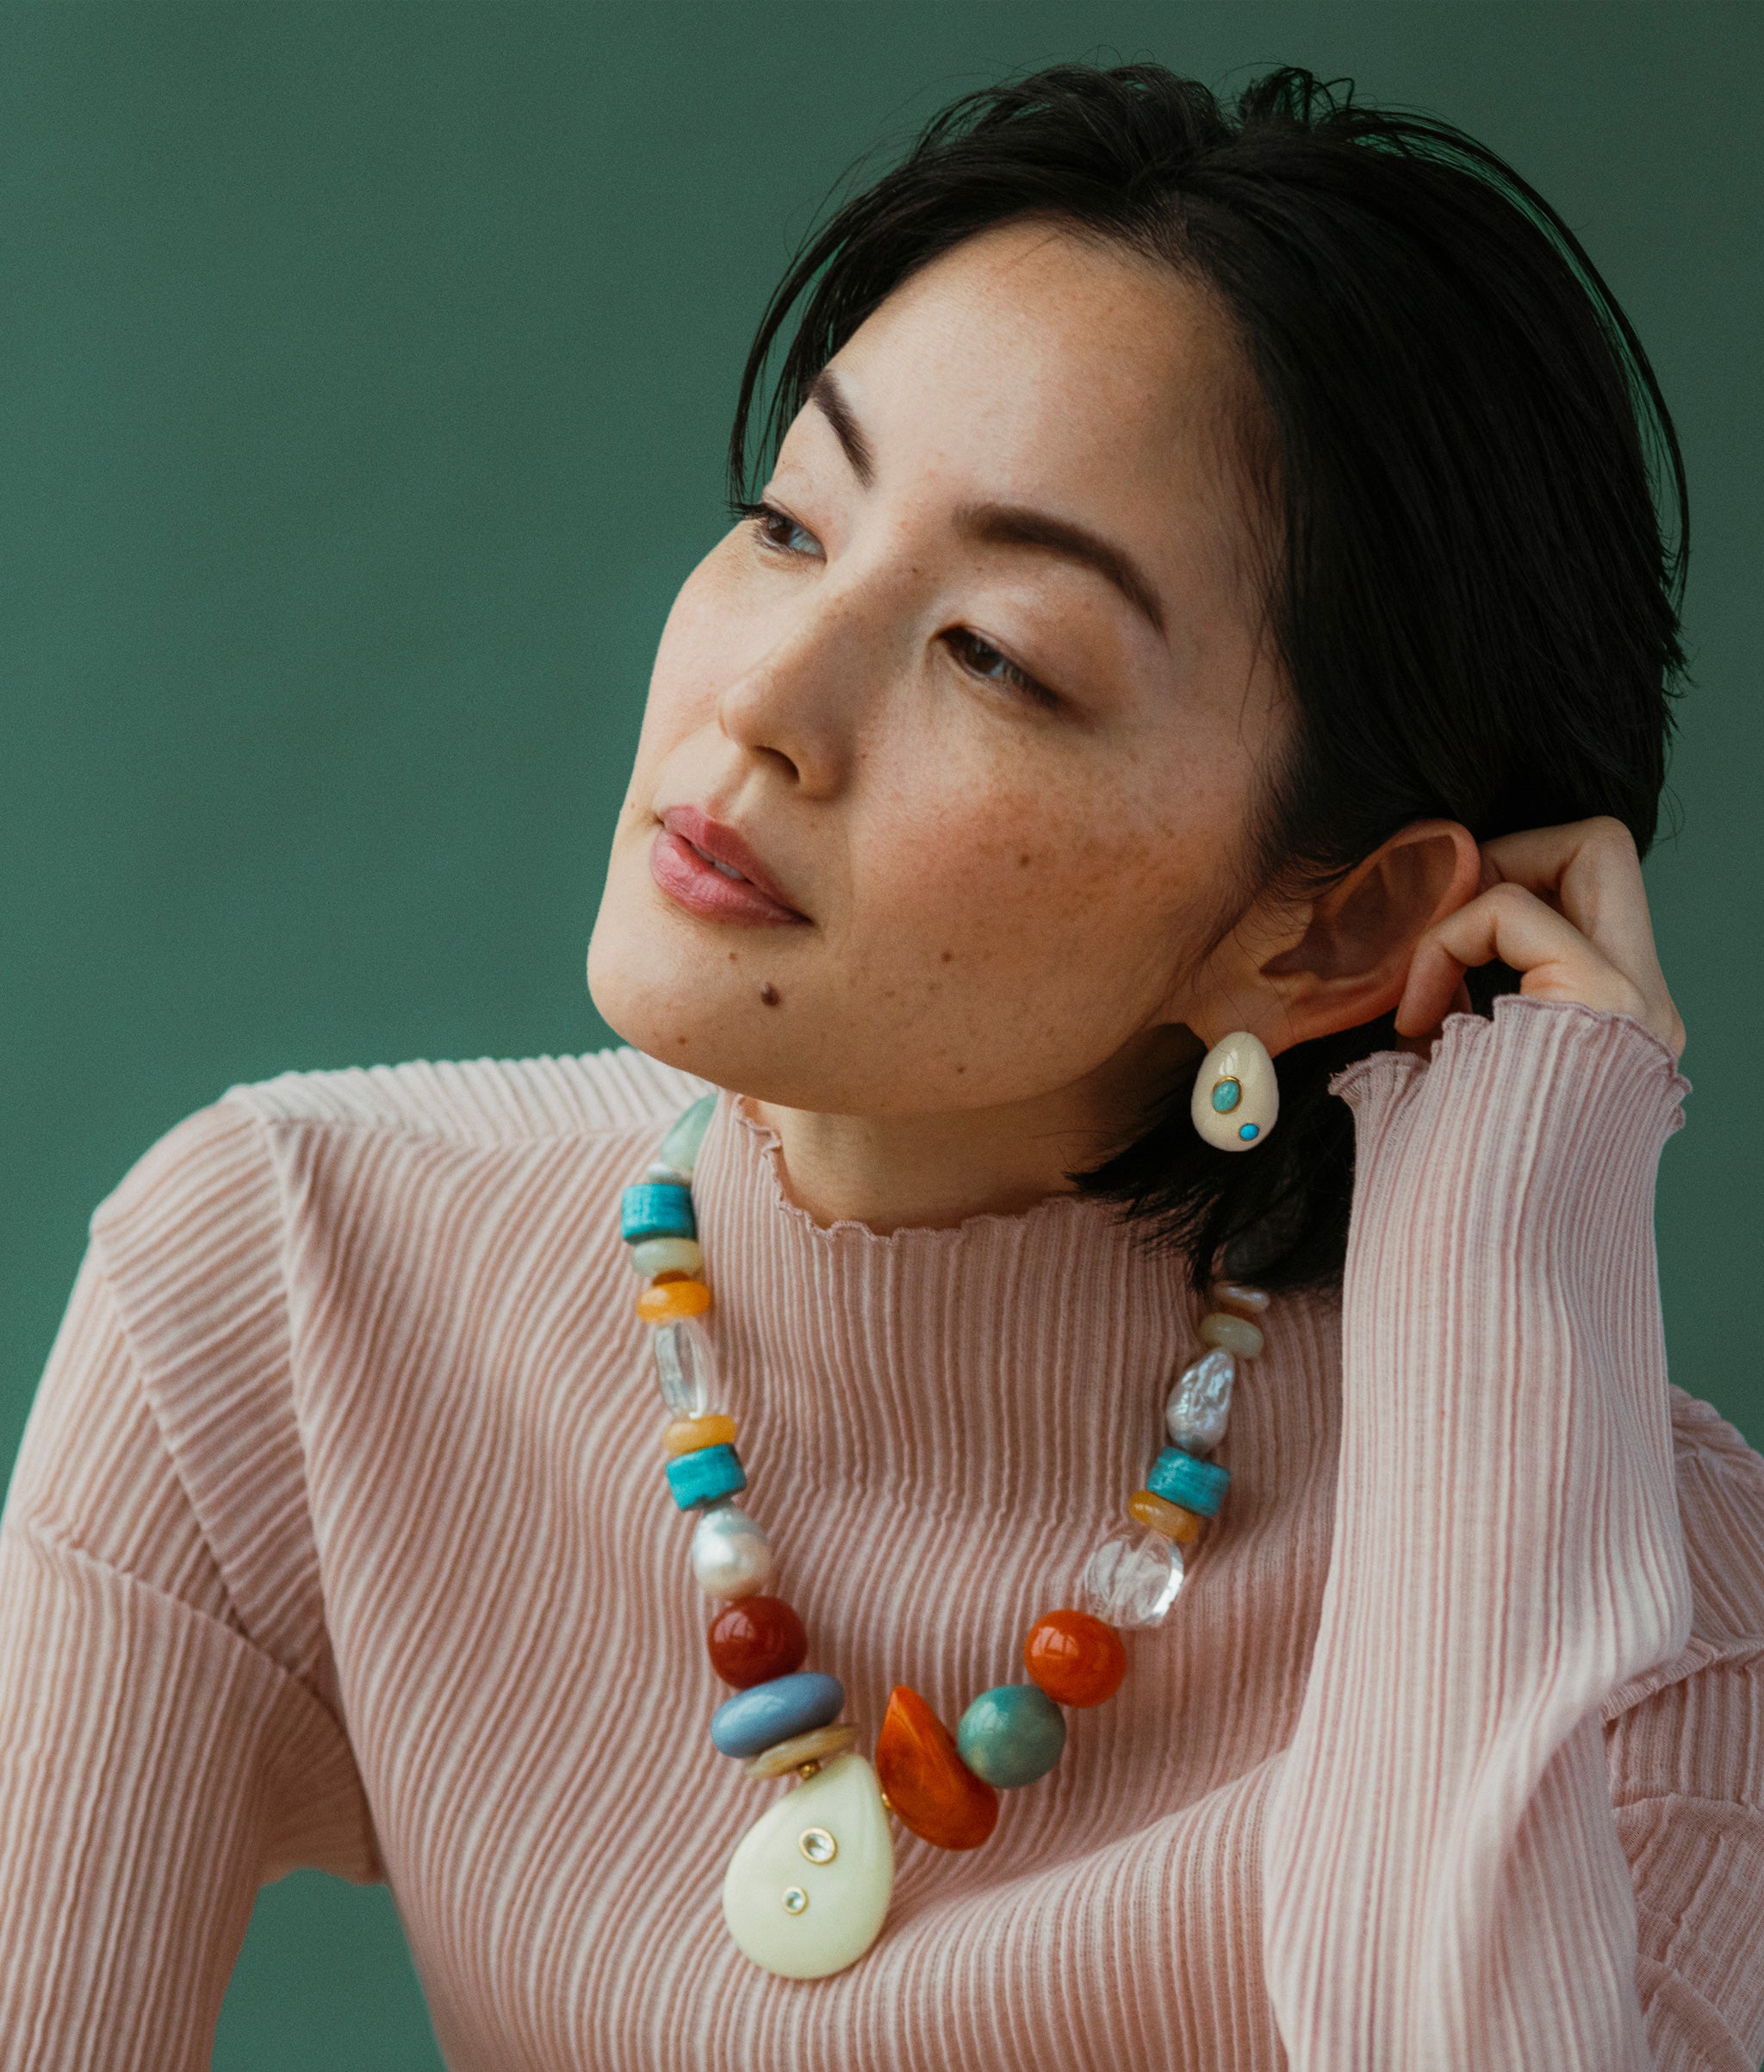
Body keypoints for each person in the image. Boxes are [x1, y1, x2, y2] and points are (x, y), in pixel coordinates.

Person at [2, 59, 1760, 2071]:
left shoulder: (1662, 1632)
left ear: (1331, 924)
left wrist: (1509, 1209)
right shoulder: (285, 1284)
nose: (760, 697)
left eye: (993, 653)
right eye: (784, 522)